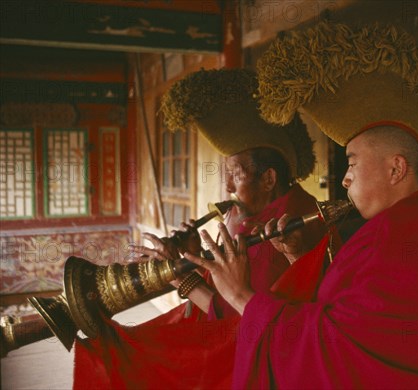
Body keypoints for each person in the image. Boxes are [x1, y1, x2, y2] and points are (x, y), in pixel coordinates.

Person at [185, 22, 418, 389]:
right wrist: (297, 258)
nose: (345, 179)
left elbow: (337, 351)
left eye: (351, 162)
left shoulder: (407, 236)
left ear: (396, 168)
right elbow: (353, 321)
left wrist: (240, 294)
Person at [73, 69, 336, 389]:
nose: (227, 186)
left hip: (259, 361)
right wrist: (190, 256)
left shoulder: (287, 226)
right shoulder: (258, 214)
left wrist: (180, 276)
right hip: (239, 341)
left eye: (235, 175)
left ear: (268, 179)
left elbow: (237, 323)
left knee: (132, 359)